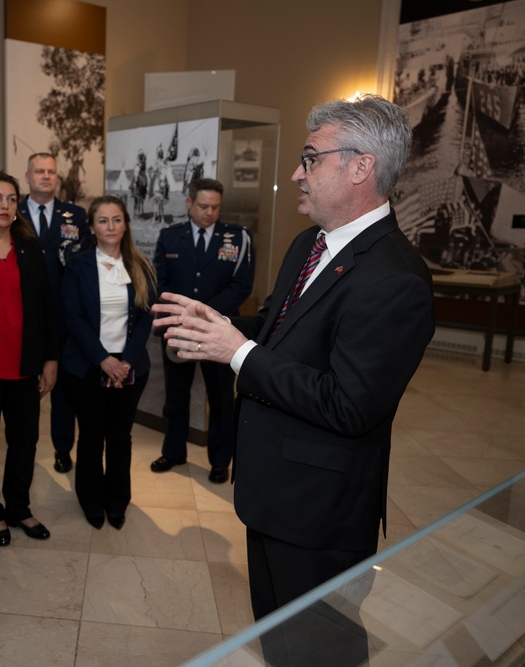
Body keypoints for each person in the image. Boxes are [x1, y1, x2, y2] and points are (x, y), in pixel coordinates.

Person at [153, 95, 435, 665]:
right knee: (279, 643)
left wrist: (237, 351)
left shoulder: (395, 279)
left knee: (320, 651)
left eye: (310, 159)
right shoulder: (309, 244)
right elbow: (282, 331)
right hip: (273, 495)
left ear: (361, 167)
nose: (294, 174)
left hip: (320, 512)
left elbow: (348, 404)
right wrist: (224, 327)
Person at [0, 168, 58, 546]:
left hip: (25, 366)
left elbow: (46, 308)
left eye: (11, 199)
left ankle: (19, 506)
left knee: (25, 442)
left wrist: (50, 359)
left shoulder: (29, 248)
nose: (4, 205)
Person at [61, 196, 156, 530]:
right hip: (87, 367)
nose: (111, 227)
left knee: (120, 436)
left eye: (117, 220)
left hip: (131, 368)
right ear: (91, 227)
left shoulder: (140, 264)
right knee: (91, 435)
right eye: (103, 221)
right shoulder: (77, 264)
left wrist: (125, 361)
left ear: (125, 223)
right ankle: (91, 500)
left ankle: (117, 501)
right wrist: (104, 360)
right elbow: (72, 318)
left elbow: (146, 317)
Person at [150, 178, 254, 483]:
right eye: (203, 206)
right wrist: (184, 316)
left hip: (220, 332)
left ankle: (221, 460)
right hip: (178, 329)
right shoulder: (170, 237)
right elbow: (161, 282)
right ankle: (173, 451)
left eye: (215, 207)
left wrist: (203, 315)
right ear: (189, 203)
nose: (209, 212)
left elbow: (242, 285)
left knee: (221, 398)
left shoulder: (237, 238)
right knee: (175, 395)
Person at [17, 152, 88, 474]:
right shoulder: (11, 212)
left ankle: (62, 448)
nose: (46, 176)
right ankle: (21, 447)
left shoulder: (75, 215)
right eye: (39, 171)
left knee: (63, 390)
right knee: (22, 387)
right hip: (21, 313)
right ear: (28, 176)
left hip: (62, 314)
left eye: (51, 172)